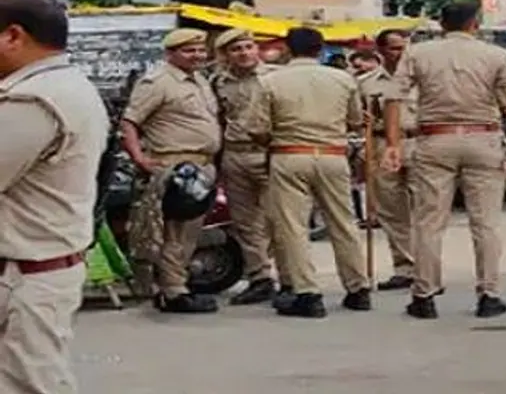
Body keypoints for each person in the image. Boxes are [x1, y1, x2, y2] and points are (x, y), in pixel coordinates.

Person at [382, 1, 506, 320]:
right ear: (475, 24)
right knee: (486, 222)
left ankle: (424, 294)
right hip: (483, 139)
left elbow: (393, 98)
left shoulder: (418, 53)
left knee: (429, 222)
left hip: (434, 139)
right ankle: (489, 294)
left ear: (441, 24)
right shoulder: (496, 55)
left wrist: (393, 144)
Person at [0, 0, 109, 394]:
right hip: (38, 268)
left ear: (13, 36)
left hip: (25, 276)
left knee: (26, 383)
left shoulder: (34, 99)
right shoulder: (65, 85)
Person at [247, 27, 371, 318]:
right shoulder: (343, 79)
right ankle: (358, 288)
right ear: (320, 49)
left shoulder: (270, 81)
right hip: (333, 156)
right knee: (344, 223)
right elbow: (356, 120)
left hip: (289, 154)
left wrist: (274, 141)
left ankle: (307, 293)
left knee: (293, 227)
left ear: (287, 49)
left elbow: (256, 128)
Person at [120, 27, 222, 314]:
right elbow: (130, 122)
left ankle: (176, 283)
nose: (197, 55)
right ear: (170, 53)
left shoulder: (200, 80)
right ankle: (173, 291)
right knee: (174, 232)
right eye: (189, 51)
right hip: (175, 165)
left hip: (203, 165)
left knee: (188, 232)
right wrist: (139, 157)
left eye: (200, 50)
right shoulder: (157, 82)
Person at [210, 28, 283, 306]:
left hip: (269, 153)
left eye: (248, 47)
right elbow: (219, 119)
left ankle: (290, 277)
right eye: (236, 49)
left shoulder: (275, 77)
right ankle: (260, 277)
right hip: (235, 154)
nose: (243, 53)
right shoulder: (218, 82)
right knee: (244, 221)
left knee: (279, 217)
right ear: (226, 54)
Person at [354, 29, 417, 291]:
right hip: (380, 143)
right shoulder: (366, 83)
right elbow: (355, 117)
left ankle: (427, 266)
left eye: (404, 47)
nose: (401, 54)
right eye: (394, 48)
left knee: (425, 206)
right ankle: (405, 267)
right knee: (391, 208)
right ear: (380, 51)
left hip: (417, 141)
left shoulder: (422, 79)